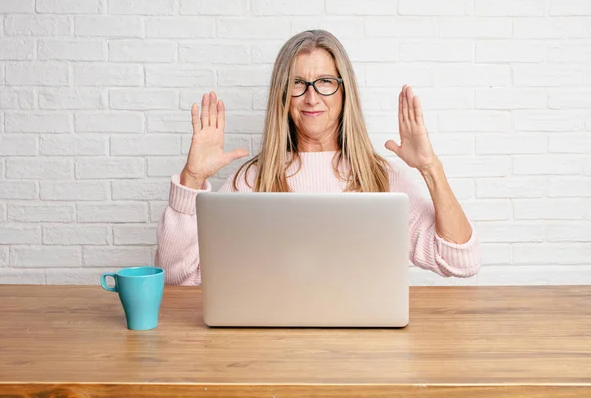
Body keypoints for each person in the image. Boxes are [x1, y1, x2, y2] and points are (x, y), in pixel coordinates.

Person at [155, 29, 482, 286]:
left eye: (325, 82)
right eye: (298, 83)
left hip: (365, 348)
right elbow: (178, 277)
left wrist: (430, 168)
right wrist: (192, 179)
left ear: (344, 92)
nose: (311, 97)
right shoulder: (252, 180)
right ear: (283, 96)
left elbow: (460, 261)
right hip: (273, 346)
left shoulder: (381, 177)